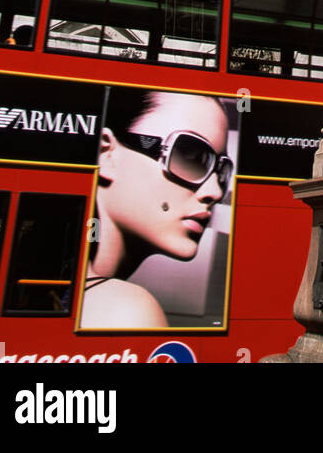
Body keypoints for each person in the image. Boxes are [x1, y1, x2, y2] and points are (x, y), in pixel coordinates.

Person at [81, 89, 232, 329]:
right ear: (107, 155)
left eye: (221, 172)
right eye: (190, 155)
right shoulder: (129, 311)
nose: (214, 191)